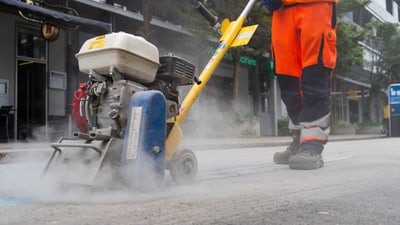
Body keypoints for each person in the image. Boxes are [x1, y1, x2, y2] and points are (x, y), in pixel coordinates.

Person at [262, 0, 338, 170]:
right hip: (282, 10)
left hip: (315, 6)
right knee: (288, 79)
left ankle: (311, 144)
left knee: (314, 74)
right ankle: (299, 139)